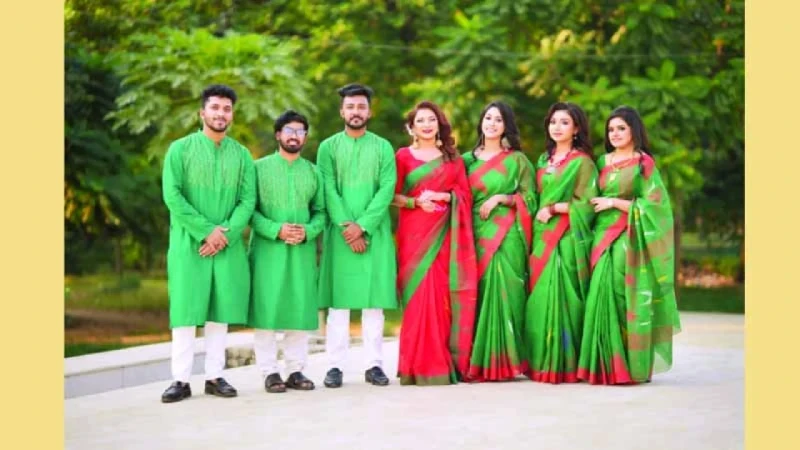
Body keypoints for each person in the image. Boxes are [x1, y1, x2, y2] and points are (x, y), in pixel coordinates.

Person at [160, 84, 256, 403]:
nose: (221, 114)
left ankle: (215, 377)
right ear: (202, 112)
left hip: (226, 244)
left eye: (227, 109)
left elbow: (247, 200)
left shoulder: (242, 155)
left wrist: (224, 235)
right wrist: (206, 232)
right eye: (215, 107)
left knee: (219, 311)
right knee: (186, 312)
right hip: (189, 244)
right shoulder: (180, 150)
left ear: (232, 115)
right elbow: (173, 195)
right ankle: (180, 380)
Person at [577, 105, 681, 385]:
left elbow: (656, 207)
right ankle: (603, 365)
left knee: (623, 295)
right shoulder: (601, 161)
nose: (614, 134)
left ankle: (629, 366)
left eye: (621, 128)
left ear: (634, 130)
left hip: (629, 236)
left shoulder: (643, 163)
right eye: (611, 129)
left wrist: (614, 202)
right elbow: (587, 198)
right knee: (599, 293)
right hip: (600, 236)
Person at [317, 83, 398, 388]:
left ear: (369, 112)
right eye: (350, 107)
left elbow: (387, 189)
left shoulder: (383, 147)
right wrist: (347, 228)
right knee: (338, 304)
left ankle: (374, 365)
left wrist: (362, 227)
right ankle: (334, 366)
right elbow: (328, 189)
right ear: (342, 112)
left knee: (372, 302)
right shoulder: (327, 148)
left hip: (374, 233)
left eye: (361, 107)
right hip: (340, 235)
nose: (355, 112)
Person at [392, 101, 478, 385]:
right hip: (414, 236)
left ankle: (439, 366)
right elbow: (392, 196)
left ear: (439, 124)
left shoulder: (452, 159)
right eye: (420, 121)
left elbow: (465, 196)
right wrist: (415, 202)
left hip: (444, 236)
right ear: (411, 127)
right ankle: (414, 367)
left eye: (431, 120)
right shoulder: (403, 156)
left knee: (441, 299)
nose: (426, 125)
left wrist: (444, 196)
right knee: (417, 299)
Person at [248, 110, 326, 393]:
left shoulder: (314, 172)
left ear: (305, 137)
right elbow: (249, 210)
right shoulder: (257, 169)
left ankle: (295, 370)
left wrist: (308, 231)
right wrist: (276, 229)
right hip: (267, 251)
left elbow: (321, 212)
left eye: (300, 131)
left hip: (301, 252)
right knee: (266, 309)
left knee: (299, 307)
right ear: (278, 135)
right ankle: (269, 372)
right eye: (289, 131)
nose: (295, 136)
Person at [523, 102, 598, 384]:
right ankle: (541, 362)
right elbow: (533, 197)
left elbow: (588, 204)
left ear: (576, 128)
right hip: (541, 236)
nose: (557, 127)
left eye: (564, 122)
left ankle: (564, 364)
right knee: (540, 300)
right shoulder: (543, 160)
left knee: (564, 298)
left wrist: (555, 209)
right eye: (553, 122)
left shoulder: (583, 162)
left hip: (566, 237)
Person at [462, 101, 538, 382]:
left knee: (509, 292)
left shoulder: (517, 160)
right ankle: (479, 360)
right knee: (479, 294)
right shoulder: (466, 161)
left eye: (498, 119)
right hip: (474, 234)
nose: (492, 124)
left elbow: (532, 198)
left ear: (506, 126)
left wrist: (502, 198)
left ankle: (508, 362)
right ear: (481, 122)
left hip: (508, 235)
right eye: (488, 118)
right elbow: (457, 196)